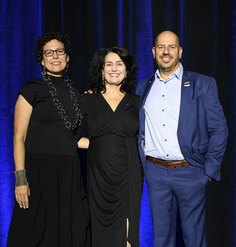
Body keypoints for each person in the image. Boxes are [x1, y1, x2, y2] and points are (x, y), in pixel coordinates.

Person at [136, 30, 228, 247]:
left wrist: (208, 171)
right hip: (155, 173)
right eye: (161, 47)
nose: (166, 52)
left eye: (171, 47)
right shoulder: (142, 87)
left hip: (191, 171)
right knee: (161, 239)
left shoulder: (202, 84)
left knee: (194, 239)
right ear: (153, 51)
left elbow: (219, 129)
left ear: (180, 51)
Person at [7, 32, 90, 246]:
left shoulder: (77, 95)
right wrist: (21, 180)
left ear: (68, 57)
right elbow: (19, 137)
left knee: (69, 233)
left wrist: (114, 144)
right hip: (38, 173)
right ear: (42, 59)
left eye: (60, 51)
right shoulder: (31, 90)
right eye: (49, 52)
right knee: (33, 233)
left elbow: (75, 139)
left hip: (69, 174)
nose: (55, 56)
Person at [77, 47, 142, 247]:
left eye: (119, 64)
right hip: (98, 176)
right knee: (99, 230)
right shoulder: (86, 100)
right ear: (101, 70)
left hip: (128, 173)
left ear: (127, 70)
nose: (114, 69)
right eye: (109, 64)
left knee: (127, 235)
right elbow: (73, 137)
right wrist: (99, 145)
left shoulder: (137, 101)